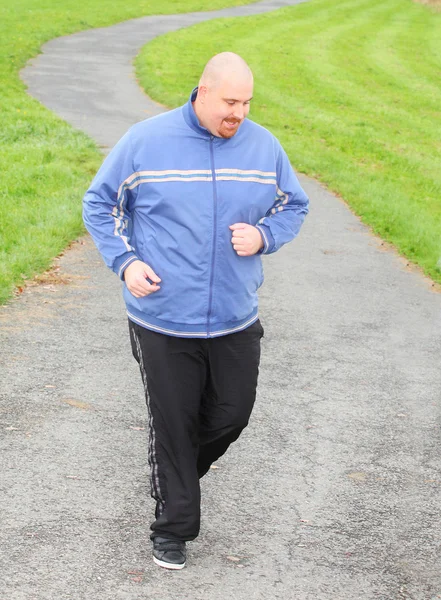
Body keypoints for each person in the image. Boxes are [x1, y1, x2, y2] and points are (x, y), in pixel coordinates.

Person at [83, 52, 309, 570]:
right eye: (231, 102)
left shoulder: (263, 147)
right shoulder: (145, 141)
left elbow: (293, 204)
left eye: (248, 102)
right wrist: (125, 262)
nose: (240, 113)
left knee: (232, 414)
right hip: (161, 316)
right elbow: (101, 203)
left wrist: (264, 235)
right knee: (174, 422)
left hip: (234, 314)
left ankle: (172, 473)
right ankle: (173, 527)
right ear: (202, 92)